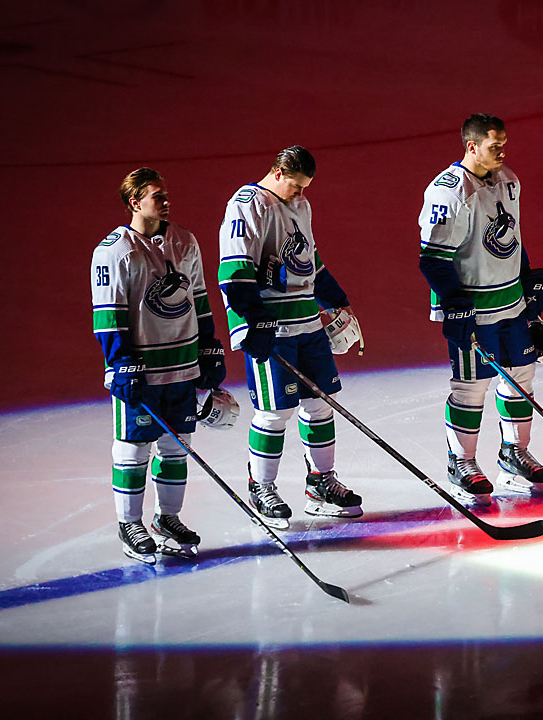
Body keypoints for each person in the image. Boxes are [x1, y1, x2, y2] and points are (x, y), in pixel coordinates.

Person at [217, 146, 362, 528]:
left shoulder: (301, 206)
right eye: (296, 186)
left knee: (320, 404)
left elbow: (310, 261)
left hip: (308, 325)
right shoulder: (247, 205)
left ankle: (320, 484)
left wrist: (337, 300)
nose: (300, 193)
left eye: (305, 187)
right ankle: (261, 487)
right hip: (273, 328)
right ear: (278, 173)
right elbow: (234, 272)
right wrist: (253, 322)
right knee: (275, 411)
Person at [91, 168, 227, 563]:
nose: (165, 201)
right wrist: (120, 363)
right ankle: (129, 524)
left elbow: (199, 298)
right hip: (142, 369)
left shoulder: (185, 240)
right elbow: (108, 315)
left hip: (182, 365)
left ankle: (168, 518)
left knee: (176, 446)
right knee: (133, 447)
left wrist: (209, 346)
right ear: (134, 202)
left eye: (166, 194)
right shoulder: (114, 251)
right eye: (156, 196)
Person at [418, 113, 543, 504]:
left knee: (521, 377)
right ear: (472, 146)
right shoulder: (448, 192)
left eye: (504, 144)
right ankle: (460, 463)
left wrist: (527, 279)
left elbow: (513, 236)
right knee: (472, 387)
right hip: (474, 310)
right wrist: (454, 304)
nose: (502, 152)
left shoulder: (508, 180)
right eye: (495, 146)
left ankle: (514, 454)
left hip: (511, 303)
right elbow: (433, 259)